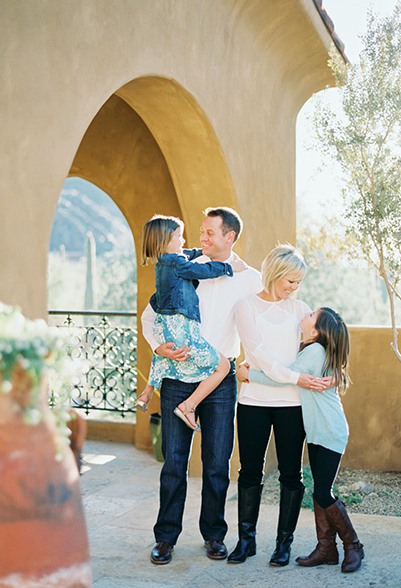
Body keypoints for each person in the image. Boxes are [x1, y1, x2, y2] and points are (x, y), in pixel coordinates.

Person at [141, 207, 262, 565]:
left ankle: (213, 535)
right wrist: (157, 345)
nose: (202, 238)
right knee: (173, 463)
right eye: (201, 232)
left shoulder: (250, 279)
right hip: (178, 377)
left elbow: (260, 327)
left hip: (220, 382)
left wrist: (250, 363)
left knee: (216, 463)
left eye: (210, 233)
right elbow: (151, 315)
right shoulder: (182, 265)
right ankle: (165, 538)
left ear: (230, 237)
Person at [229, 244, 332, 567]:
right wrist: (294, 377)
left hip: (292, 405)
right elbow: (257, 354)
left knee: (291, 474)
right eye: (290, 281)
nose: (294, 288)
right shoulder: (245, 306)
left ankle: (282, 545)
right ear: (274, 274)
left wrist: (308, 378)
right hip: (253, 402)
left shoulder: (300, 307)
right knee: (249, 472)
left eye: (298, 282)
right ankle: (246, 541)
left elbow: (319, 347)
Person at [239, 307, 363, 573]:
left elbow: (283, 378)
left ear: (315, 330)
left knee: (322, 492)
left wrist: (249, 376)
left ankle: (353, 545)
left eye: (312, 315)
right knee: (320, 491)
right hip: (319, 433)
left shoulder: (314, 351)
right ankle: (326, 549)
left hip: (329, 432)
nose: (306, 313)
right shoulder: (312, 349)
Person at [136, 215, 246, 432]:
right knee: (223, 366)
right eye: (179, 236)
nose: (184, 241)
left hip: (165, 325)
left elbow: (191, 254)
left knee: (163, 358)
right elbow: (201, 271)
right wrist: (228, 267)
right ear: (165, 241)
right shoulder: (177, 264)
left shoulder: (167, 260)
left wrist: (201, 253)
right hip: (181, 328)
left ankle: (146, 393)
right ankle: (189, 406)